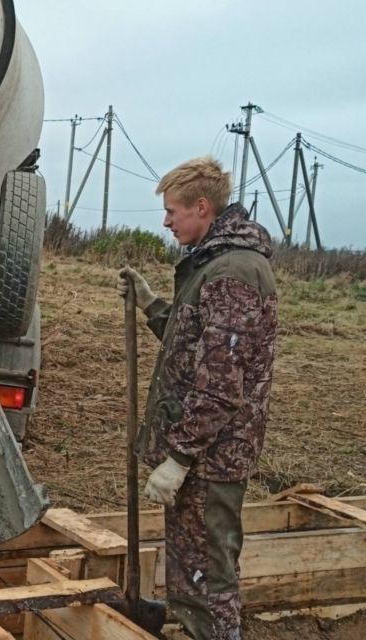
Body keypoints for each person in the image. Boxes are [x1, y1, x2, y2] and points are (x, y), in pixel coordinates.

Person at [118, 157, 277, 640]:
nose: (166, 222)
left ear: (202, 207)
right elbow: (194, 344)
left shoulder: (234, 272)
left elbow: (221, 381)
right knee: (191, 560)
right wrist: (151, 304)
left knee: (210, 568)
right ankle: (191, 628)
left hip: (213, 454)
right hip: (200, 451)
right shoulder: (212, 264)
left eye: (172, 211)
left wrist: (181, 456)